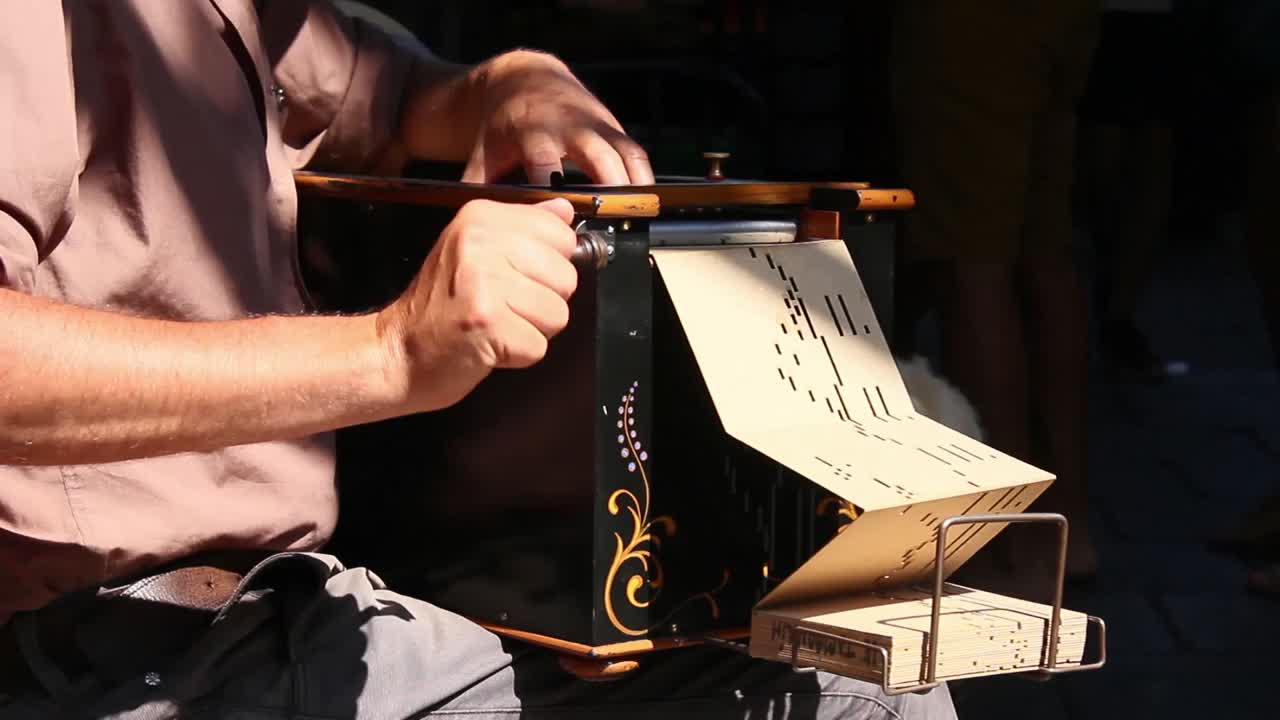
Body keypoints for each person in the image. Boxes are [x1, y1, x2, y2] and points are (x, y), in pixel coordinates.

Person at [0, 2, 956, 718]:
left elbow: (398, 91)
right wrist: (390, 351)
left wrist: (515, 83)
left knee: (879, 659)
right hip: (122, 653)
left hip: (292, 610)